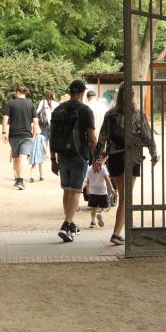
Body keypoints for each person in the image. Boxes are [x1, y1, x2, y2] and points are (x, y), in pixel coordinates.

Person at [99, 82, 160, 246]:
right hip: (132, 156)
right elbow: (147, 136)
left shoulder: (109, 115)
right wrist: (153, 153)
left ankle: (119, 231)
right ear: (132, 95)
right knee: (127, 198)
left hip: (115, 158)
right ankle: (117, 233)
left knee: (123, 195)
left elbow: (102, 138)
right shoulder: (136, 114)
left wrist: (98, 158)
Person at [49, 79, 98, 242]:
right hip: (79, 154)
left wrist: (52, 159)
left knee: (66, 190)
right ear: (82, 93)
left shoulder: (58, 108)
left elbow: (52, 135)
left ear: (70, 92)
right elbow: (91, 137)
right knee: (76, 190)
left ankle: (70, 225)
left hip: (62, 154)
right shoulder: (85, 110)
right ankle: (67, 223)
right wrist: (97, 156)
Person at [2, 86, 37, 190]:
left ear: (17, 92)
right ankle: (19, 180)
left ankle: (19, 179)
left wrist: (4, 132)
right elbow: (35, 121)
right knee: (23, 157)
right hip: (27, 135)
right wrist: (34, 135)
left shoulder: (11, 103)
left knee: (16, 158)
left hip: (13, 135)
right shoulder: (31, 104)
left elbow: (5, 118)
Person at [29, 89, 56, 183]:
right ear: (52, 95)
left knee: (44, 139)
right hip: (52, 124)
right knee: (51, 140)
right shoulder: (55, 104)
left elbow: (37, 112)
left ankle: (42, 153)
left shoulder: (42, 102)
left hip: (44, 124)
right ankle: (48, 154)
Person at [83, 158, 115, 228]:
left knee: (93, 208)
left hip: (93, 191)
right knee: (105, 206)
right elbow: (107, 179)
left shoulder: (89, 169)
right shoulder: (103, 168)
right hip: (102, 191)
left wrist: (87, 189)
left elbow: (87, 181)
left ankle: (93, 221)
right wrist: (112, 189)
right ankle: (101, 214)